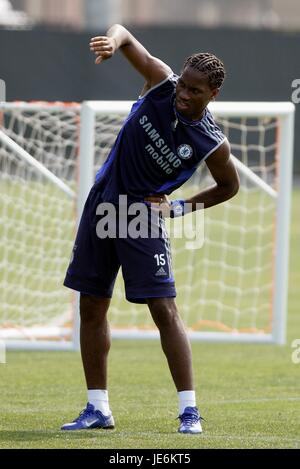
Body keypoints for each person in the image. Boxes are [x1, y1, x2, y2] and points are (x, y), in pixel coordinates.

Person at [61, 24, 239, 434]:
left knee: (163, 310)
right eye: (185, 84)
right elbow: (124, 34)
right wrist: (111, 42)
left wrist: (177, 208)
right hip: (103, 203)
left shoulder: (211, 142)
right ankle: (97, 409)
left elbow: (229, 187)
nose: (184, 93)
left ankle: (189, 412)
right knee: (91, 304)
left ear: (213, 95)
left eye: (196, 91)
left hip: (141, 216)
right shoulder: (161, 83)